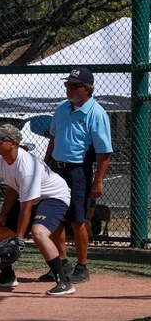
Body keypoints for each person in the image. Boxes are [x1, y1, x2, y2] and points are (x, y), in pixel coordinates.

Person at [41, 66, 113, 285]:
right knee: (55, 218)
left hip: (77, 171)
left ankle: (82, 266)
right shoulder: (62, 108)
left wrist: (98, 181)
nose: (69, 89)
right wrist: (45, 166)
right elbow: (53, 139)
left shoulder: (96, 113)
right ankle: (61, 264)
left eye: (74, 86)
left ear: (87, 89)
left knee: (77, 219)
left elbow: (104, 152)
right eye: (67, 85)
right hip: (56, 169)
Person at [0, 123, 73, 295]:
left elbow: (27, 207)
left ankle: (64, 281)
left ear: (12, 143)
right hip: (35, 198)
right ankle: (7, 276)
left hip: (54, 196)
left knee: (39, 232)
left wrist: (19, 239)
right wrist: (4, 215)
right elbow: (11, 189)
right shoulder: (3, 161)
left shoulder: (27, 167)